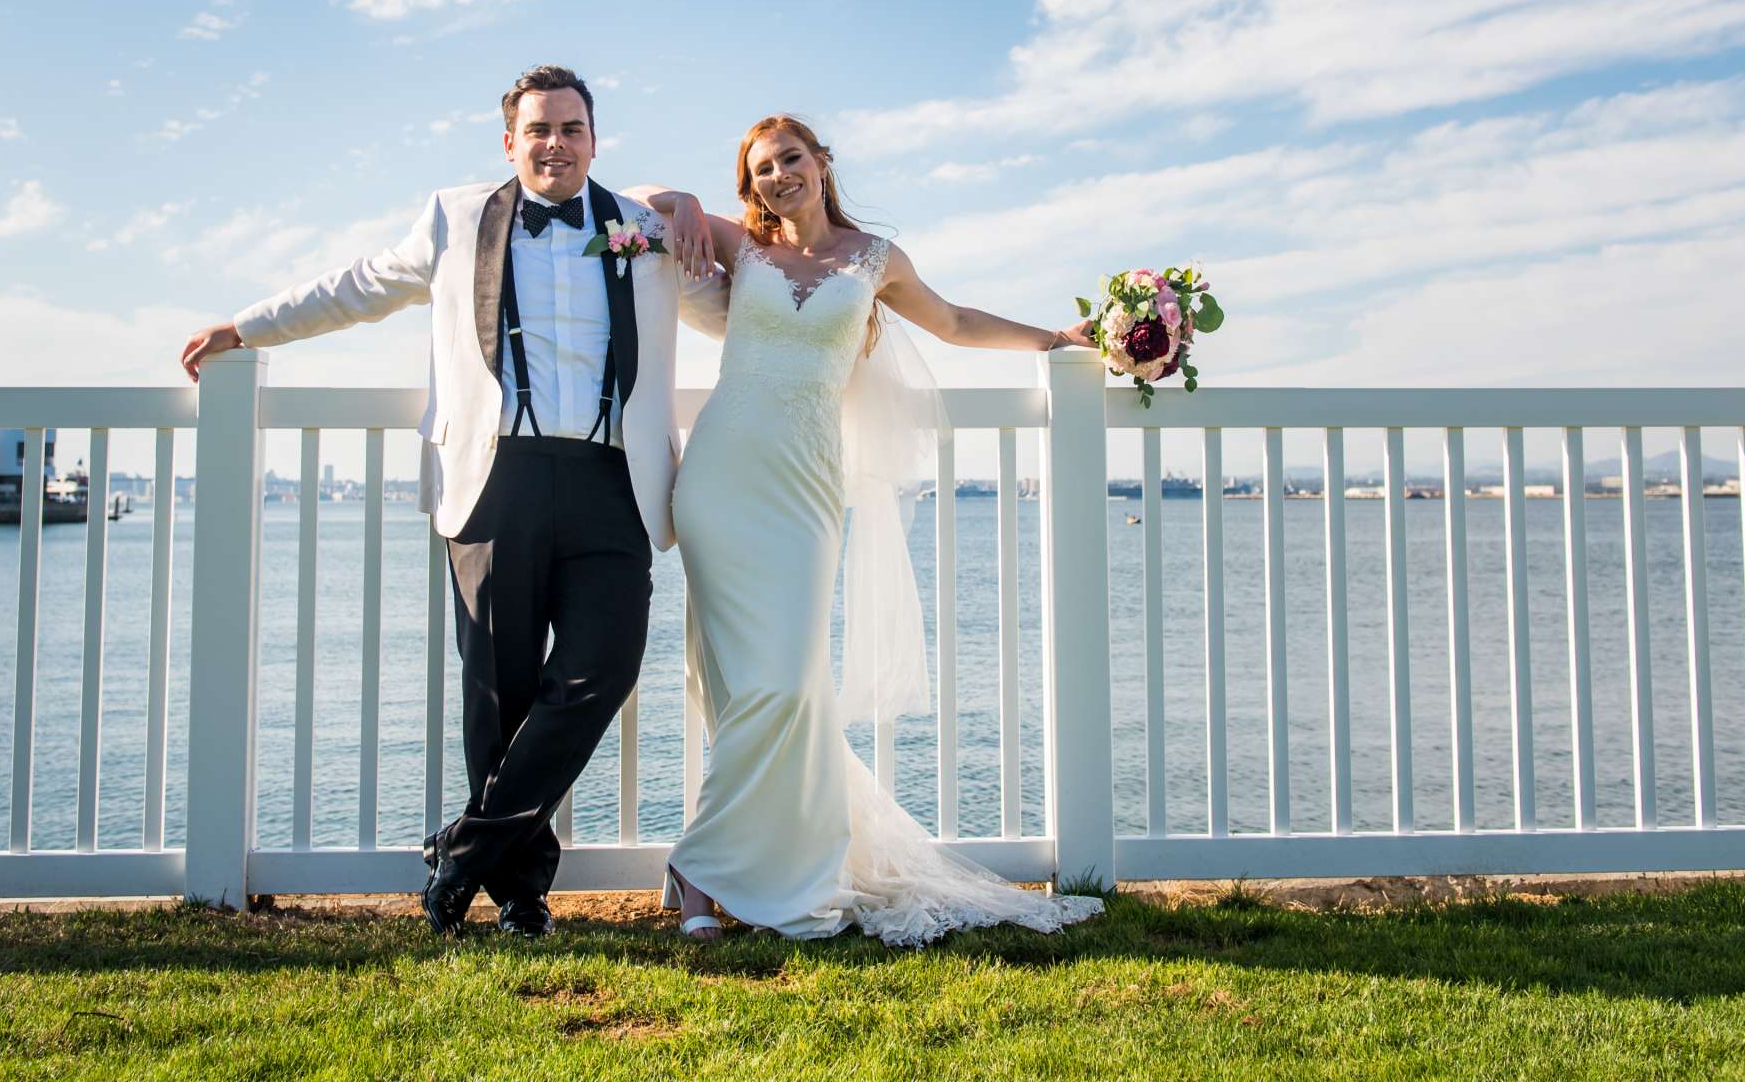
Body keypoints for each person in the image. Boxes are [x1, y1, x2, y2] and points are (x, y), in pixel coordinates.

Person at [179, 65, 722, 937]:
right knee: (498, 690)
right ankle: (520, 893)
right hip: (493, 474)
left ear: (595, 139)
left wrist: (716, 220)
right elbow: (353, 287)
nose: (556, 143)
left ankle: (462, 852)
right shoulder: (454, 216)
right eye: (538, 129)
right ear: (509, 141)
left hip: (612, 481)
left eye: (572, 128)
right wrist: (247, 326)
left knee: (606, 664)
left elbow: (736, 310)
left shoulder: (645, 230)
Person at [627, 115, 1107, 945]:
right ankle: (707, 869)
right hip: (720, 478)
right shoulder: (743, 246)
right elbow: (629, 202)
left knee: (789, 682)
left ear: (822, 163)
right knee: (747, 684)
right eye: (763, 168)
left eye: (792, 159)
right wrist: (688, 201)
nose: (780, 175)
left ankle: (708, 860)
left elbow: (954, 322)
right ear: (752, 184)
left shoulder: (873, 260)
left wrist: (1052, 338)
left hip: (806, 485)